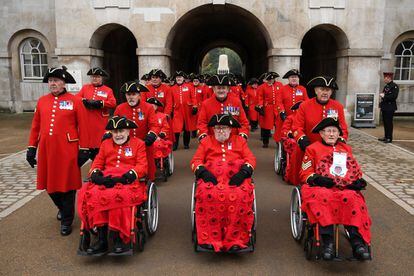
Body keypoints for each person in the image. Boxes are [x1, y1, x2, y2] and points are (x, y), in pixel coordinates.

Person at [26, 66, 89, 236]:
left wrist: (84, 149)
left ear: (64, 83)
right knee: (48, 184)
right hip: (47, 149)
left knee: (67, 185)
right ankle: (62, 208)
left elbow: (83, 126)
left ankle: (67, 220)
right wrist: (32, 148)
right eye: (50, 81)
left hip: (67, 149)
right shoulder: (42, 101)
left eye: (56, 81)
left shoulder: (75, 101)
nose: (53, 83)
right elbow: (35, 126)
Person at [299, 117, 371, 261]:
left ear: (339, 134)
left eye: (335, 131)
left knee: (352, 198)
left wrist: (357, 181)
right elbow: (304, 173)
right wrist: (317, 179)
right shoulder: (312, 149)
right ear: (321, 133)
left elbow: (354, 170)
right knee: (324, 197)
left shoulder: (345, 149)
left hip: (344, 187)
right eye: (328, 131)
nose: (331, 134)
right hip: (320, 187)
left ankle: (357, 242)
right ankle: (328, 243)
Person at [77, 116, 148, 255]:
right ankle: (102, 239)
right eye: (115, 132)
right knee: (94, 194)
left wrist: (127, 176)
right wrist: (97, 175)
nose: (118, 134)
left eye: (121, 131)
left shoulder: (138, 143)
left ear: (128, 131)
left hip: (128, 180)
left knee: (118, 196)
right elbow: (97, 163)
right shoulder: (105, 144)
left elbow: (142, 166)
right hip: (108, 178)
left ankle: (119, 238)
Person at [190, 114, 256, 252]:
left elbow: (250, 159)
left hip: (235, 178)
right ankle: (209, 238)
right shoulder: (206, 142)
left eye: (224, 128)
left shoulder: (240, 141)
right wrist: (203, 172)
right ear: (213, 129)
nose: (220, 131)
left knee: (239, 196)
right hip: (212, 178)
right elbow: (195, 161)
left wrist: (243, 172)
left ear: (230, 129)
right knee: (208, 195)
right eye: (218, 128)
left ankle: (236, 239)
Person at [114, 81, 159, 181]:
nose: (131, 97)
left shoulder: (148, 108)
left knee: (147, 169)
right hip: (125, 145)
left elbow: (154, 125)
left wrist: (152, 135)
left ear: (139, 95)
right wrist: (108, 135)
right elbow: (113, 126)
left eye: (133, 94)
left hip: (144, 143)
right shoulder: (119, 108)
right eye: (128, 94)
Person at [292, 76, 348, 152]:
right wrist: (302, 139)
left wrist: (341, 139)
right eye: (322, 89)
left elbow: (343, 128)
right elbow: (297, 127)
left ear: (331, 92)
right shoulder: (304, 106)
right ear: (316, 91)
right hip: (308, 147)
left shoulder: (338, 106)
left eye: (328, 90)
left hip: (331, 149)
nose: (325, 93)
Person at [76, 67, 116, 160]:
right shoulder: (85, 88)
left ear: (101, 78)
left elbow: (113, 103)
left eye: (97, 77)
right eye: (93, 77)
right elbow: (76, 98)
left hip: (100, 121)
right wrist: (84, 100)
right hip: (87, 119)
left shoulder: (107, 90)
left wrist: (101, 103)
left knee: (99, 142)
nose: (94, 79)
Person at [197, 74, 250, 141]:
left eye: (223, 88)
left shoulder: (236, 102)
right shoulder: (206, 104)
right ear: (214, 89)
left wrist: (242, 136)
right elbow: (202, 123)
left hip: (233, 141)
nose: (221, 91)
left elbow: (243, 122)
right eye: (218, 88)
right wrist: (205, 137)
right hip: (212, 142)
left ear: (228, 89)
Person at [274, 69, 309, 142]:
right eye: (292, 77)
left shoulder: (302, 89)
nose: (294, 79)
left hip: (298, 117)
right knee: (283, 137)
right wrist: (282, 112)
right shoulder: (282, 89)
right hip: (285, 116)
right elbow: (279, 102)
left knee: (297, 135)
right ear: (288, 79)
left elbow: (307, 102)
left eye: (296, 77)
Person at [170, 71, 197, 150]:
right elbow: (170, 100)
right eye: (177, 77)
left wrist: (194, 106)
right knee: (176, 129)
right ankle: (175, 145)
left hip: (187, 110)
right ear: (175, 78)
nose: (179, 79)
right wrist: (171, 110)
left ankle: (186, 144)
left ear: (183, 78)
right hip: (177, 110)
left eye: (180, 77)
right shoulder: (172, 88)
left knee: (187, 128)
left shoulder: (189, 87)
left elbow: (193, 98)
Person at [256, 72, 283, 148]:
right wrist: (260, 106)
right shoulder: (262, 87)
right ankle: (265, 141)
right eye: (269, 79)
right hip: (268, 108)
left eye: (272, 79)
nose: (270, 81)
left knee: (278, 125)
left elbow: (282, 95)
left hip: (277, 108)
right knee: (266, 126)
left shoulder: (279, 85)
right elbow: (260, 97)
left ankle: (279, 142)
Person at [379, 72, 399, 143]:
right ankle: (386, 136)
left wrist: (384, 96)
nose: (384, 79)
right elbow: (385, 96)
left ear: (389, 78)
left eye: (385, 78)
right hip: (385, 106)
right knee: (385, 122)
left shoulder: (394, 86)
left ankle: (389, 138)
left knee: (389, 123)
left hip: (390, 107)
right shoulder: (386, 86)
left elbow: (394, 97)